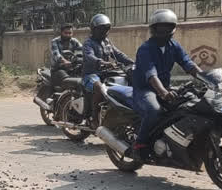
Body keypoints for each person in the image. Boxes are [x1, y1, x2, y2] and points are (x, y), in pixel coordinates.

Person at [126, 9, 201, 161]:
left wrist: (206, 78)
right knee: (154, 110)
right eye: (160, 28)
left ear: (172, 29)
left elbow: (187, 63)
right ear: (153, 29)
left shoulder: (174, 45)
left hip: (165, 87)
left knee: (189, 104)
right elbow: (150, 73)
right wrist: (163, 92)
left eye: (167, 28)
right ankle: (139, 145)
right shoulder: (145, 49)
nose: (163, 31)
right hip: (145, 89)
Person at [82, 14, 134, 127]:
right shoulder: (88, 43)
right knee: (99, 87)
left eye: (106, 29)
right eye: (101, 29)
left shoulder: (106, 42)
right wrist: (102, 62)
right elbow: (89, 56)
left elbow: (118, 54)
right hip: (91, 74)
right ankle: (94, 118)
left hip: (105, 74)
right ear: (93, 29)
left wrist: (132, 62)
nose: (104, 31)